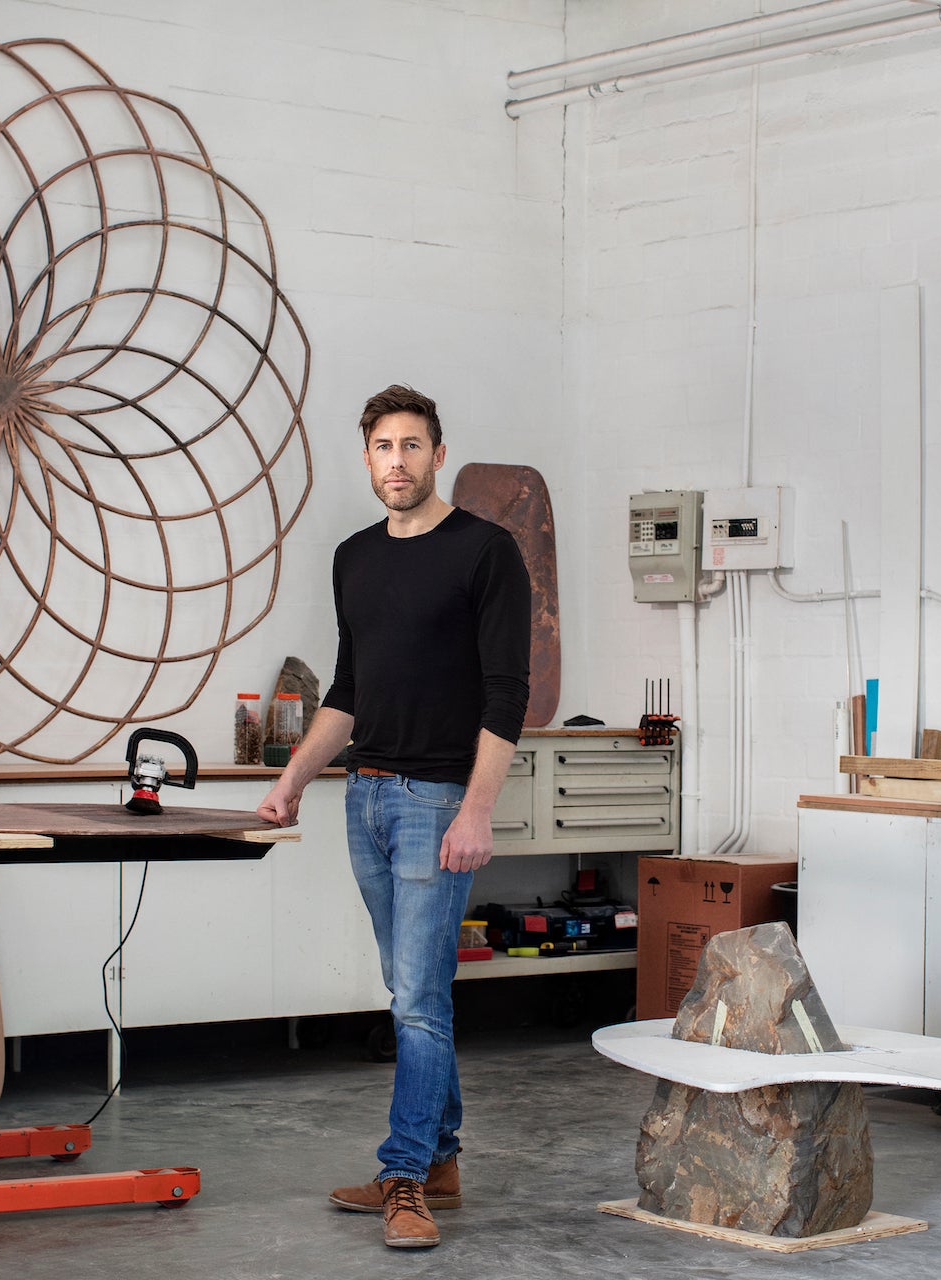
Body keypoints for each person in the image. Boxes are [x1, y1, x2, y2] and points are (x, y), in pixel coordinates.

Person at [257, 384, 530, 1250]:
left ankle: (404, 1177)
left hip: (439, 802)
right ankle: (441, 1159)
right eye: (384, 447)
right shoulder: (353, 558)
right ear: (367, 458)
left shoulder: (487, 552)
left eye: (414, 445)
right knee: (413, 991)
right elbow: (349, 688)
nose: (398, 461)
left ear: (438, 454)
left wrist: (477, 810)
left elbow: (506, 693)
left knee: (416, 998)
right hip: (367, 796)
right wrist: (298, 776)